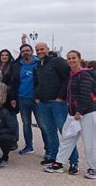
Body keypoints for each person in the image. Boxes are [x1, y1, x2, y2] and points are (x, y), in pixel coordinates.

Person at [45, 50, 96, 179]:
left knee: (90, 142)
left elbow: (86, 94)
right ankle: (59, 163)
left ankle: (93, 168)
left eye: (74, 58)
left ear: (79, 59)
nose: (71, 60)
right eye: (69, 58)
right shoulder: (72, 74)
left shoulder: (84, 74)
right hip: (73, 113)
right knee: (67, 138)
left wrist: (80, 111)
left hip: (86, 113)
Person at [34, 42, 79, 170]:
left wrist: (60, 97)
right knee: (50, 131)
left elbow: (67, 79)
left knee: (65, 133)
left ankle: (73, 161)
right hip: (43, 103)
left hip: (57, 103)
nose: (39, 52)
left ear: (48, 49)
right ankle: (53, 157)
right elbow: (36, 83)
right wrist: (36, 97)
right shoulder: (38, 66)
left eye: (42, 49)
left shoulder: (57, 61)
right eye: (37, 50)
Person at [9, 44, 48, 156]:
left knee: (42, 124)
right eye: (23, 51)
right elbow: (13, 82)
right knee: (26, 124)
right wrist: (13, 98)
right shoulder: (17, 65)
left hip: (37, 100)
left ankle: (49, 149)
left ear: (32, 51)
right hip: (22, 98)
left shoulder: (39, 63)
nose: (25, 52)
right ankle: (28, 146)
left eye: (27, 50)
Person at [0, 49, 19, 148]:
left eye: (6, 55)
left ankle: (14, 139)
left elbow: (14, 83)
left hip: (10, 96)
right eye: (2, 55)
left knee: (12, 118)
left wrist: (13, 97)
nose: (4, 57)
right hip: (0, 97)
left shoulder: (13, 67)